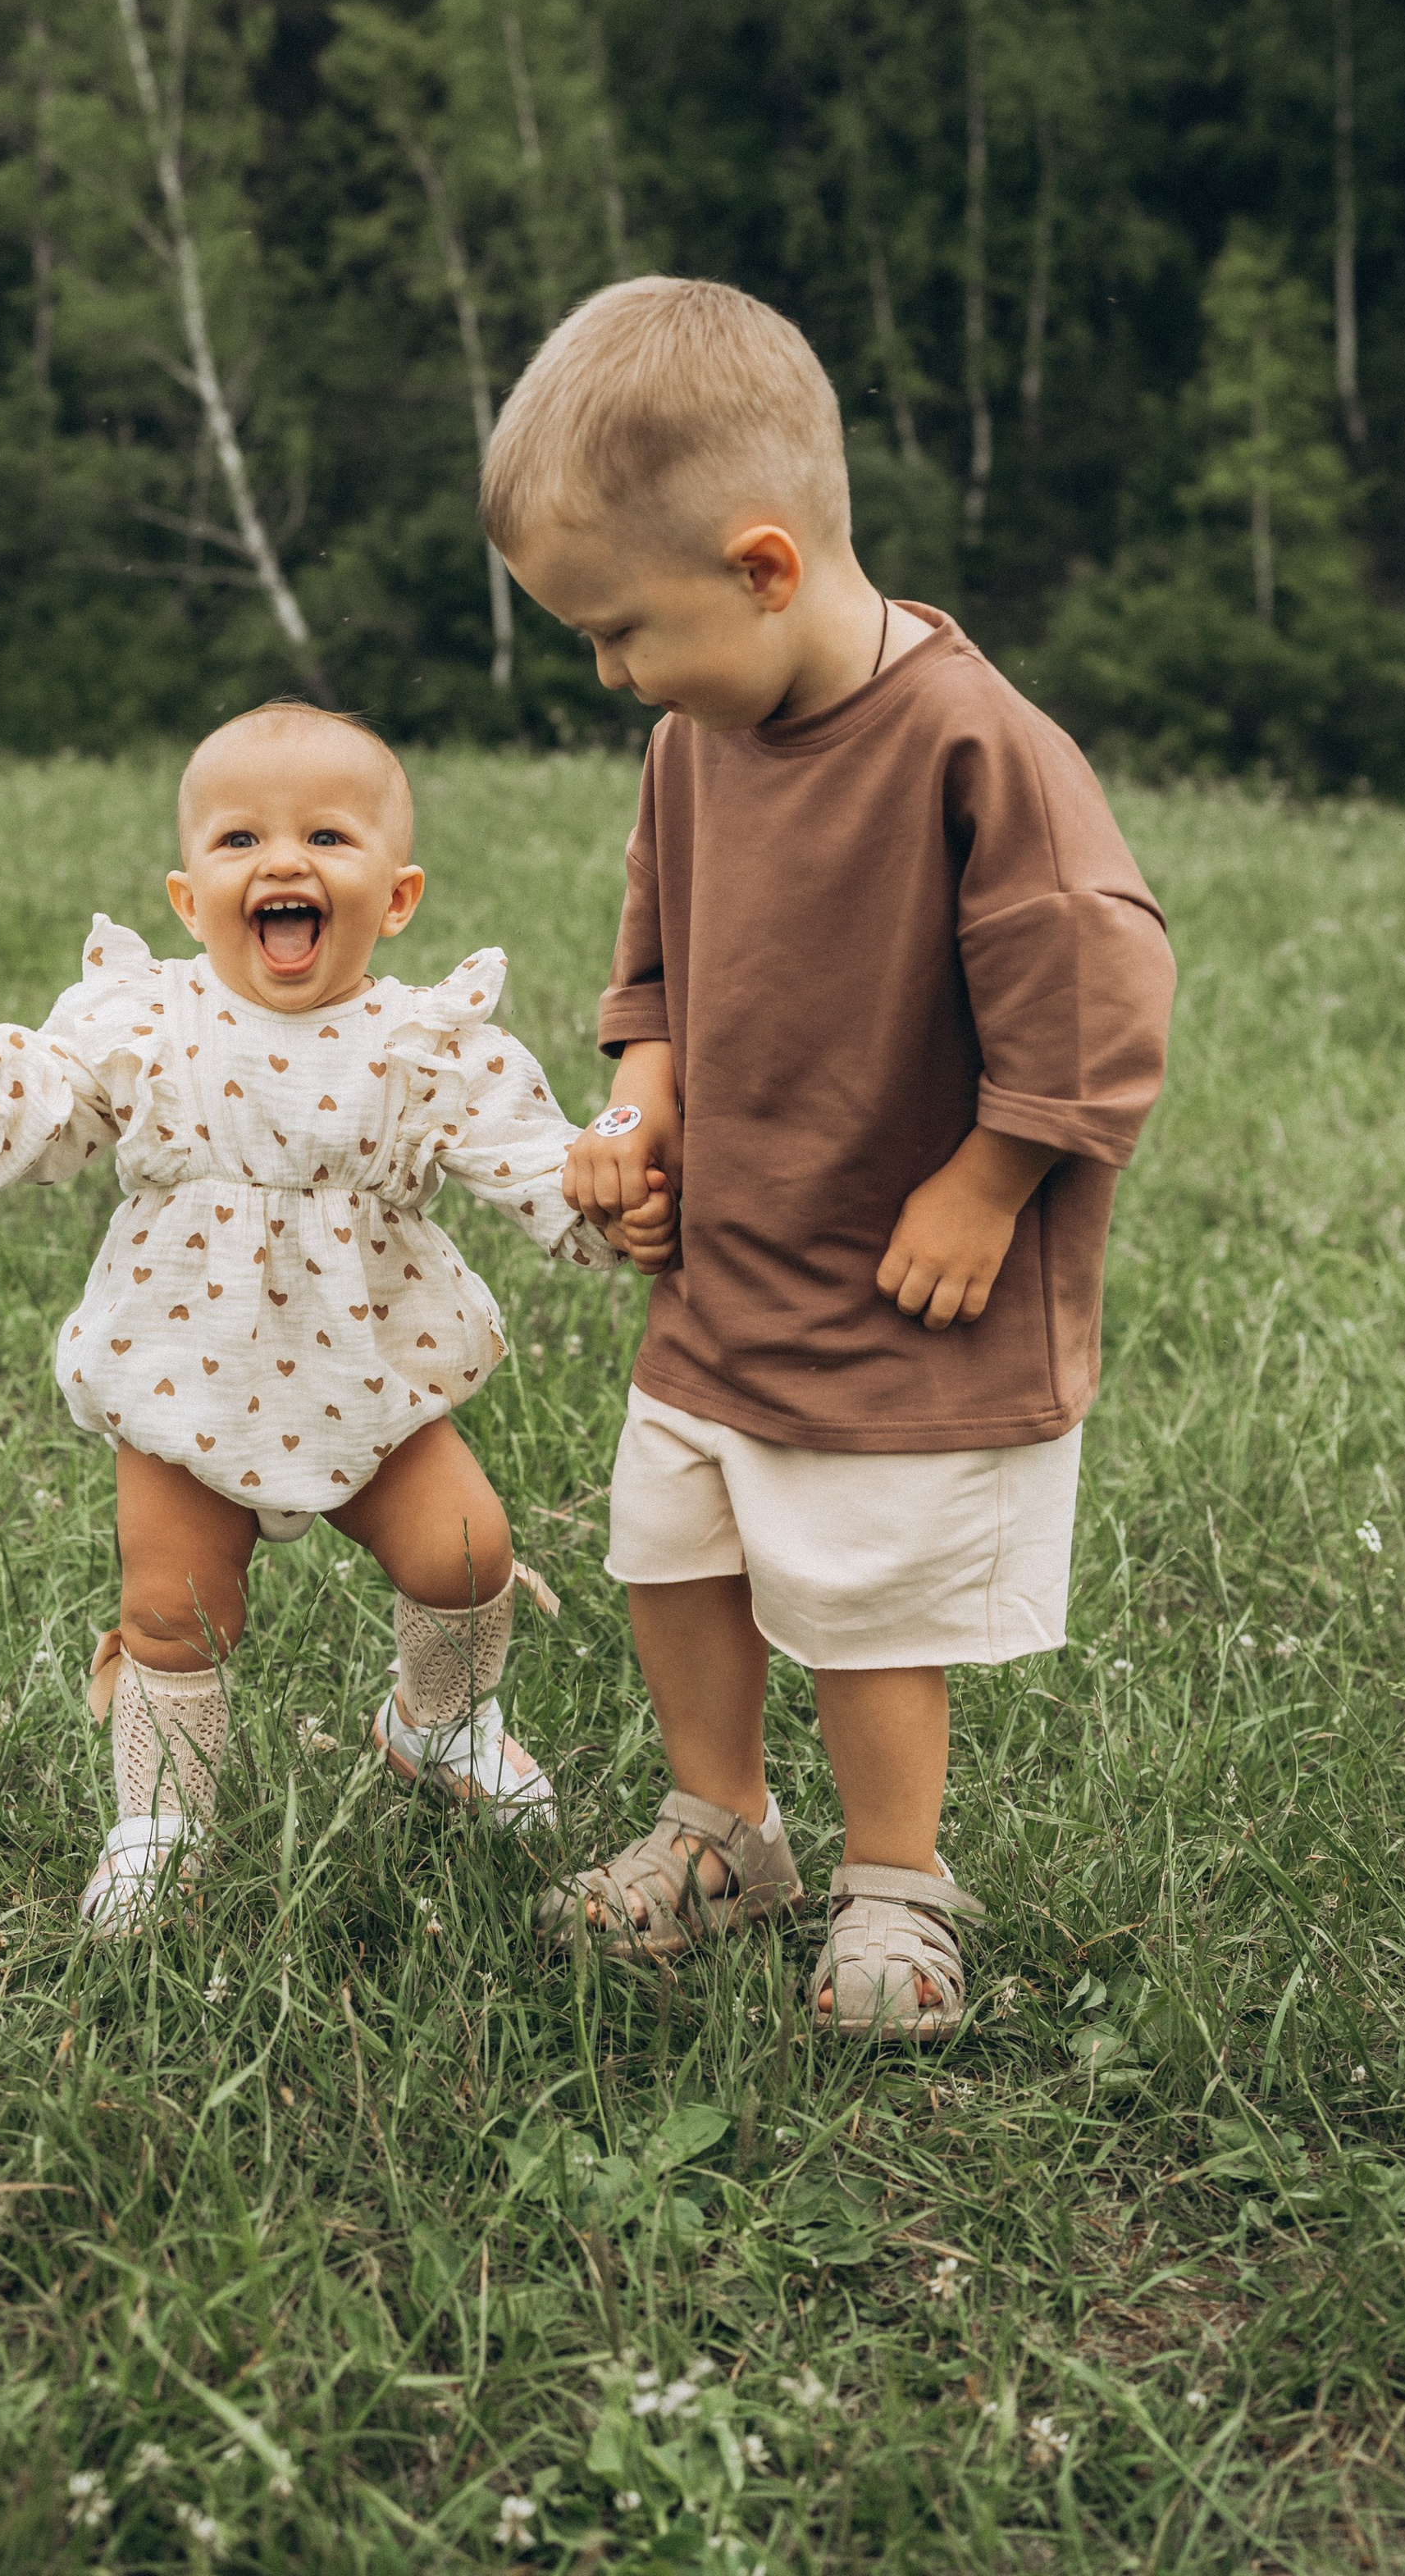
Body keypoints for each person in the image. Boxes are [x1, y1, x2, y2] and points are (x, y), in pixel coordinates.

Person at [487, 276, 1177, 2043]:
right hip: (726, 1280)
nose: (608, 672)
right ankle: (722, 1827)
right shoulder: (692, 748)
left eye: (619, 630)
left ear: (764, 567)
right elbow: (655, 974)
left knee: (866, 1599)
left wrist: (990, 1181)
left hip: (899, 1291)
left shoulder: (975, 747)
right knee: (673, 1553)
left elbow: (1098, 999)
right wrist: (639, 1114)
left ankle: (896, 1882)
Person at [0, 702, 650, 1935]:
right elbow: (53, 1119)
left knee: (466, 1551)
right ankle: (160, 1824)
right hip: (187, 1373)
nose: (283, 862)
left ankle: (439, 1725)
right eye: (239, 841)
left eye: (326, 837)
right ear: (188, 898)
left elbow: (530, 1156)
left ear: (397, 898)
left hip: (367, 1376)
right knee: (176, 1612)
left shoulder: (424, 1044)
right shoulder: (148, 1022)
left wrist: (605, 1200)